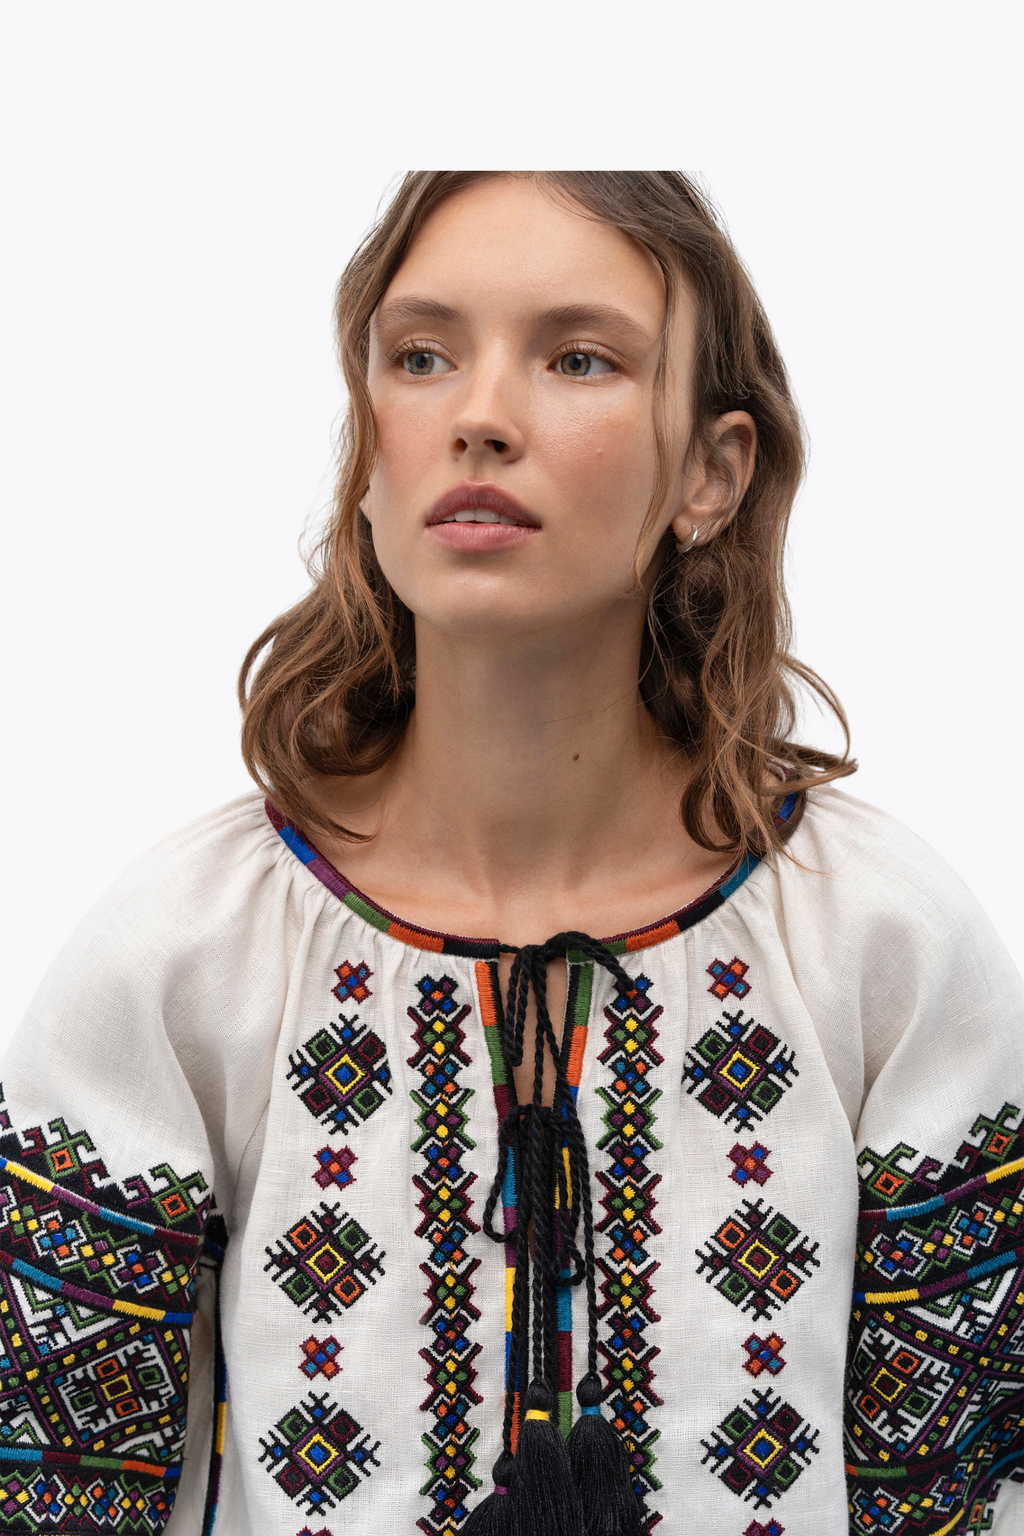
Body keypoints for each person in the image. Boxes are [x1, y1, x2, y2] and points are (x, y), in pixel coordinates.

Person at [0, 172, 1020, 1536]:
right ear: (369, 450)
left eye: (577, 357)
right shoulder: (185, 950)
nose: (478, 415)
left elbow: (964, 1500)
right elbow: (59, 1498)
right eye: (420, 357)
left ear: (711, 471)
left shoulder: (879, 939)